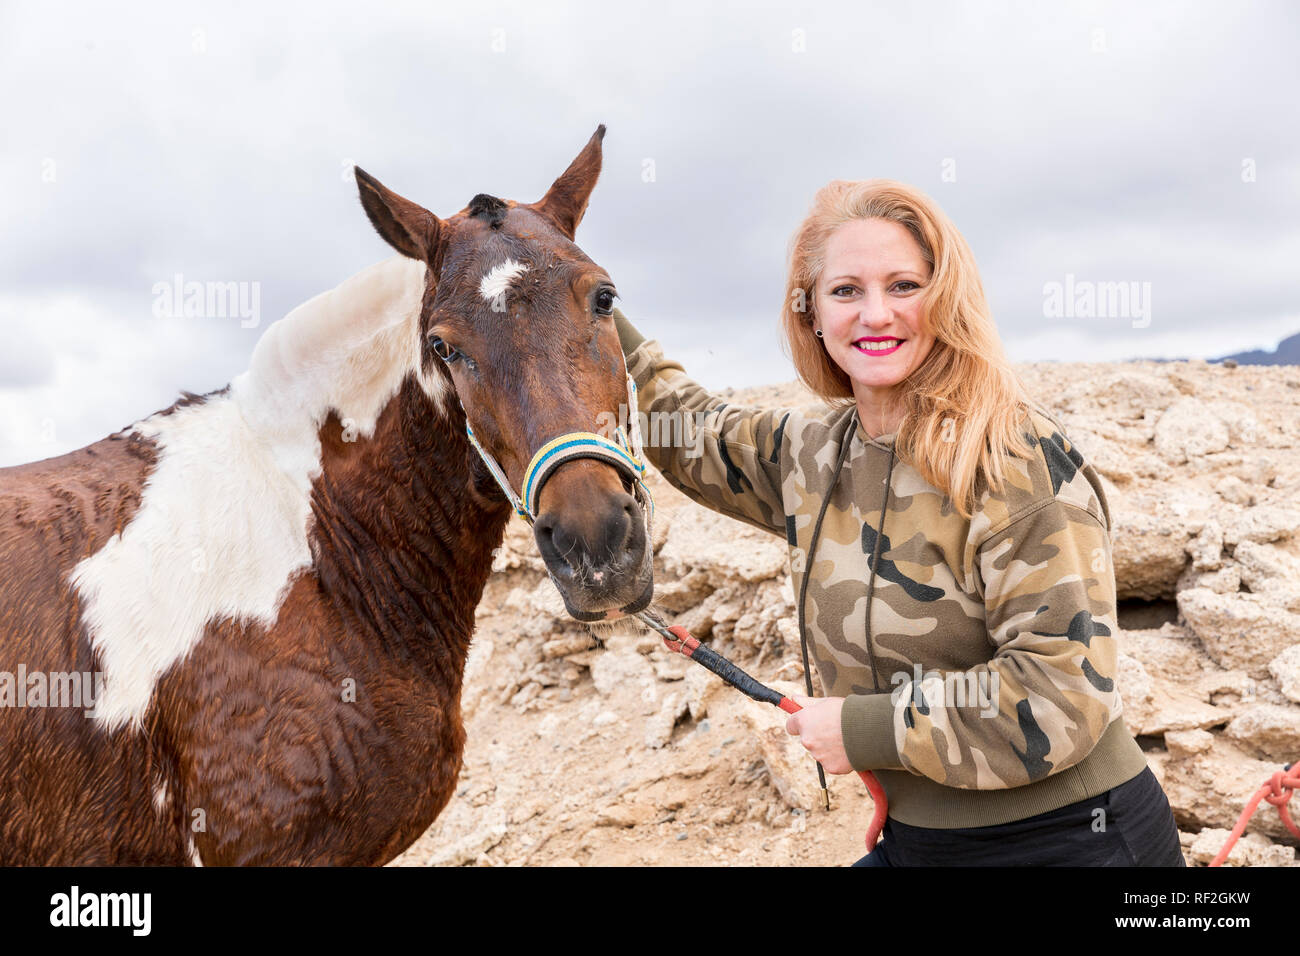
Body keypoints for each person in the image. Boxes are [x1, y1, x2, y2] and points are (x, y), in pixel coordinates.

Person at [610, 178, 1185, 866]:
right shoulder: (812, 454)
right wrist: (578, 299)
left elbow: (1060, 690)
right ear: (812, 313)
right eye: (846, 291)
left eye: (905, 286)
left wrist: (863, 730)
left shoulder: (1014, 459)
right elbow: (691, 432)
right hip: (920, 843)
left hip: (1073, 840)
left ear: (945, 299)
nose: (875, 314)